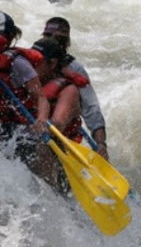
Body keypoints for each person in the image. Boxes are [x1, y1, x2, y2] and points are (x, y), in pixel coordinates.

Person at [41, 17, 109, 160]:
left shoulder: (75, 69)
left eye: (59, 39)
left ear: (67, 43)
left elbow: (91, 108)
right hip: (33, 123)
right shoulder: (31, 60)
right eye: (49, 37)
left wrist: (101, 144)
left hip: (60, 129)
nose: (54, 42)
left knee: (71, 91)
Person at [26, 37, 83, 194]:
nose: (30, 65)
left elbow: (56, 124)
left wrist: (34, 127)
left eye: (36, 61)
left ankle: (51, 196)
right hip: (30, 145)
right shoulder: (30, 83)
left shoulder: (69, 90)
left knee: (43, 145)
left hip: (59, 160)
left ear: (52, 64)